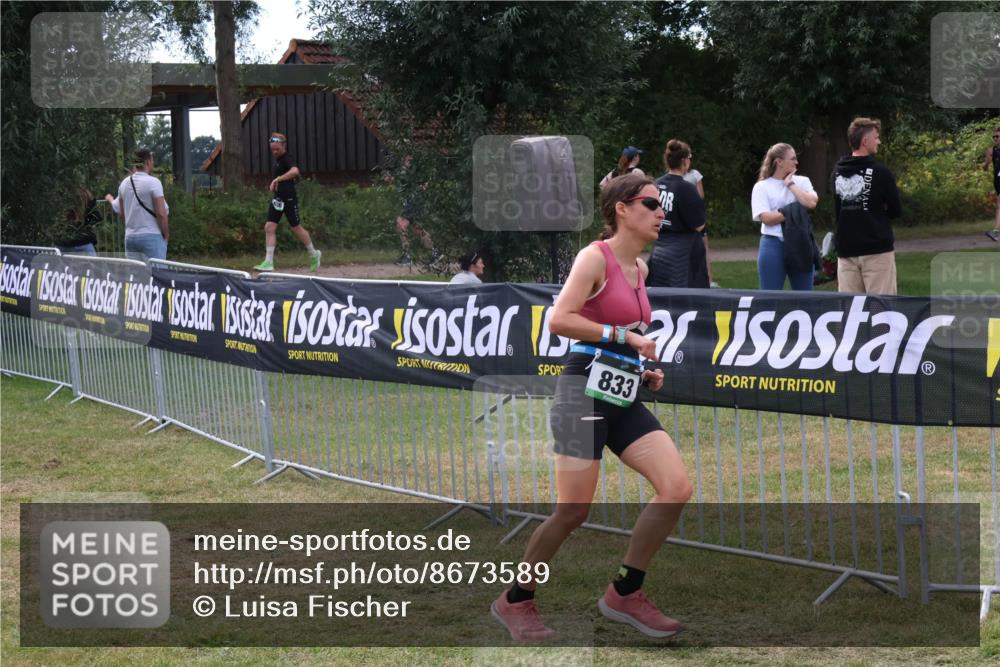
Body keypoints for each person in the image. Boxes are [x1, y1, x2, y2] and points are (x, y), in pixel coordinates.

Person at [491, 172, 692, 642]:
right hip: (581, 393)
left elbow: (620, 341)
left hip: (622, 395)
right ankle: (516, 599)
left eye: (662, 205)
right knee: (572, 512)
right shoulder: (593, 257)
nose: (662, 211)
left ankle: (625, 592)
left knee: (676, 487)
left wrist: (642, 369)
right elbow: (560, 319)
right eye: (651, 203)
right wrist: (626, 338)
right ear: (622, 208)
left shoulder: (642, 270)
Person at [831, 118, 902, 295]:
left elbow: (838, 210)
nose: (879, 141)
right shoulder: (881, 172)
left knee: (851, 313)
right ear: (865, 141)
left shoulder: (837, 172)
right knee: (881, 310)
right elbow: (896, 210)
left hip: (847, 250)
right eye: (876, 137)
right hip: (876, 250)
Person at [751, 143, 819, 290]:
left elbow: (811, 203)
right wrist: (792, 211)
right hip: (772, 244)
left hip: (800, 243)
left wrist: (790, 185)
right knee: (769, 298)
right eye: (792, 159)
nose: (796, 162)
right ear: (779, 162)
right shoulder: (762, 186)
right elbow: (767, 219)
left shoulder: (802, 181)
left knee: (804, 297)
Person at [253, 132, 321, 272]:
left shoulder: (287, 158)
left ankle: (314, 254)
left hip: (289, 199)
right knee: (269, 227)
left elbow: (295, 171)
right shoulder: (278, 159)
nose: (275, 152)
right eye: (272, 149)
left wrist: (278, 179)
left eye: (277, 149)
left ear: (284, 145)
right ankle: (268, 262)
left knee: (296, 228)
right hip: (278, 199)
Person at [647, 140, 708, 288]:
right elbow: (699, 225)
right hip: (683, 254)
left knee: (661, 297)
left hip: (659, 249)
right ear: (685, 161)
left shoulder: (655, 184)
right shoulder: (686, 188)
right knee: (688, 301)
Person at [116, 148, 169, 261]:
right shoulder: (154, 182)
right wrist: (166, 233)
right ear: (147, 162)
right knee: (156, 275)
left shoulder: (123, 184)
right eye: (152, 160)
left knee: (135, 276)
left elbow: (122, 214)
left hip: (130, 237)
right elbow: (161, 213)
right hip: (151, 236)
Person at [393, 155, 434, 265]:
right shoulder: (405, 170)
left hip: (412, 202)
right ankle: (435, 253)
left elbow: (424, 184)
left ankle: (407, 256)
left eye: (410, 160)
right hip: (411, 202)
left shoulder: (413, 170)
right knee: (418, 229)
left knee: (401, 225)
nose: (408, 161)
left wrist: (420, 188)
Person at [56, 187, 101, 255]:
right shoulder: (88, 205)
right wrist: (92, 202)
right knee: (92, 263)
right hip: (84, 243)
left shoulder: (61, 202)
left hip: (63, 244)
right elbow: (97, 218)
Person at [982, 127, 1000, 242]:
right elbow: (986, 167)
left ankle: (996, 232)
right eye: (994, 136)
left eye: (997, 136)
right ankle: (996, 232)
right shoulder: (991, 150)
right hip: (997, 180)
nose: (995, 138)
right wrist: (986, 163)